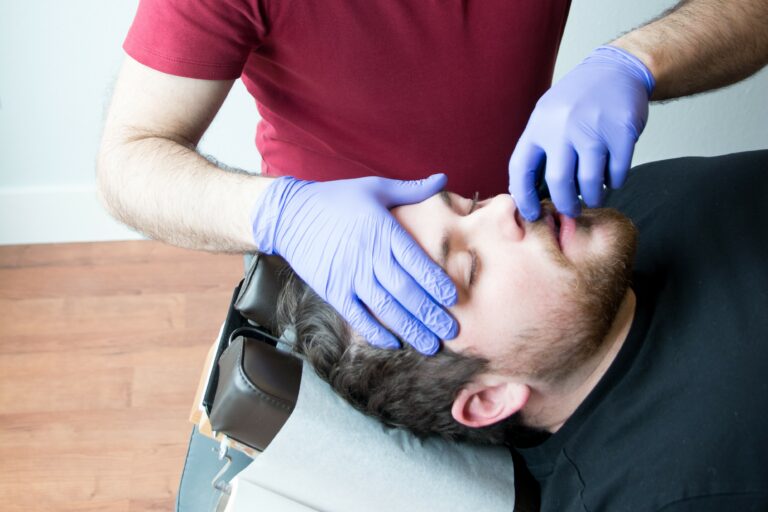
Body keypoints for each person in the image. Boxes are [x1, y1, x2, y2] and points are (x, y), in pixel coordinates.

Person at [96, 1, 768, 355]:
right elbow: (128, 160)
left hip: (529, 244)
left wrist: (635, 61)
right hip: (337, 267)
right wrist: (282, 213)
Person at [273, 151, 768, 511]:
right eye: (470, 267)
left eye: (471, 205)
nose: (507, 205)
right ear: (488, 398)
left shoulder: (598, 229)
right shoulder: (666, 491)